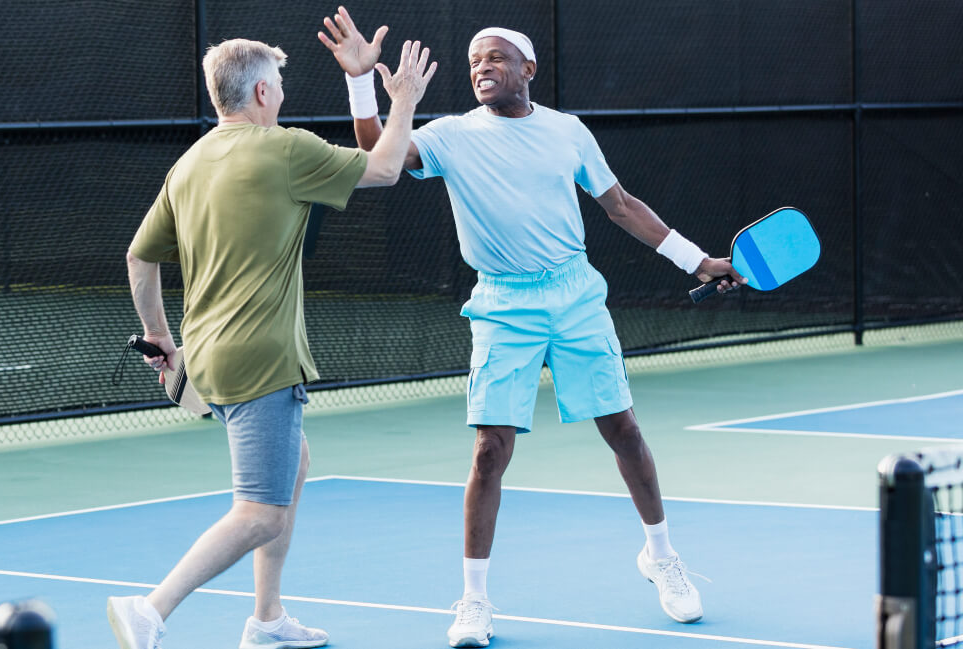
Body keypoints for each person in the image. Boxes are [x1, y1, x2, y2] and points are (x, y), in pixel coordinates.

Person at [319, 8, 746, 647]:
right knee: (490, 450)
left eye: (494, 58)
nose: (481, 68)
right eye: (472, 63)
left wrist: (700, 260)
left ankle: (661, 555)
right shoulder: (451, 135)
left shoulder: (569, 132)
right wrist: (360, 84)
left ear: (528, 70)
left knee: (623, 429)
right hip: (502, 304)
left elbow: (621, 206)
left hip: (575, 295)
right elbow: (379, 153)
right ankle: (473, 602)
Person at [108, 36, 436, 649]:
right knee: (259, 511)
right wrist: (403, 99)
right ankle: (150, 609)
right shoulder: (284, 150)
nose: (282, 96)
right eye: (279, 87)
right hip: (261, 359)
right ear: (262, 92)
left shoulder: (189, 163)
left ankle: (267, 620)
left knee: (294, 465)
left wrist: (159, 337)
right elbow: (388, 168)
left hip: (208, 356)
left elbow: (140, 255)